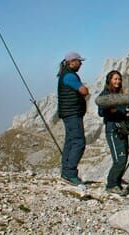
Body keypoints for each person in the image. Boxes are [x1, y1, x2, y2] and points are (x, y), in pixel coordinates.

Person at [97, 70, 129, 196]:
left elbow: (124, 109)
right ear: (109, 80)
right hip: (112, 129)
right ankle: (111, 185)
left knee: (123, 157)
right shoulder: (105, 94)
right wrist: (110, 111)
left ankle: (117, 184)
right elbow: (101, 112)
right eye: (115, 79)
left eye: (119, 79)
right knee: (120, 159)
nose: (117, 82)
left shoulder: (119, 94)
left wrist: (127, 114)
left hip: (122, 128)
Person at [57, 51, 89, 186]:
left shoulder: (65, 74)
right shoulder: (70, 76)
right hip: (72, 113)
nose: (81, 63)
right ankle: (70, 173)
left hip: (68, 113)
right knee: (79, 142)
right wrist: (85, 89)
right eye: (79, 61)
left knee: (70, 142)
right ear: (71, 62)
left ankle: (65, 172)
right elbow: (84, 91)